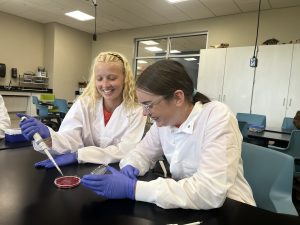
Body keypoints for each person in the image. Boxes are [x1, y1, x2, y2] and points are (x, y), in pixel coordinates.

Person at [81, 59, 256, 210]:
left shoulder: (217, 116)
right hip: (185, 205)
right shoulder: (164, 122)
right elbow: (141, 152)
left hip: (231, 208)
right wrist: (131, 165)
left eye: (148, 105)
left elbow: (210, 191)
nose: (144, 113)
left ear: (178, 97)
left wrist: (134, 189)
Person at [18, 52, 147, 167]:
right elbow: (70, 137)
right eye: (99, 78)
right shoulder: (85, 103)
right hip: (82, 170)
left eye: (112, 78)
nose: (105, 84)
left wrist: (79, 155)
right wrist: (49, 136)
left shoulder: (137, 110)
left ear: (125, 79)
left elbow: (125, 149)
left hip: (118, 170)